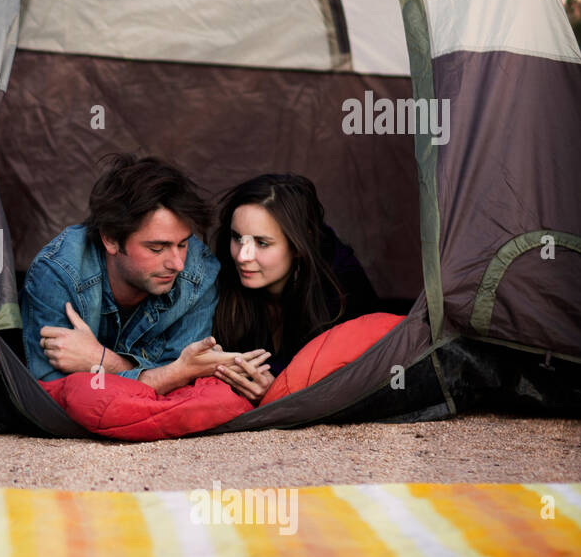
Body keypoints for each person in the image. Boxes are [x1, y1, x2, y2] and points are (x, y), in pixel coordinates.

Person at [21, 154, 265, 395]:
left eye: (182, 244)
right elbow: (51, 396)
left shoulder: (199, 271)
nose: (178, 264)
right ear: (111, 239)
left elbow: (181, 387)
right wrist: (169, 374)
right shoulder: (58, 272)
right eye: (157, 248)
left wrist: (101, 360)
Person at [210, 173, 380, 403]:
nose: (242, 256)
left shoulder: (339, 286)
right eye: (237, 238)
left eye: (262, 243)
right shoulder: (221, 273)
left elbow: (355, 376)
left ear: (299, 245)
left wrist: (279, 389)